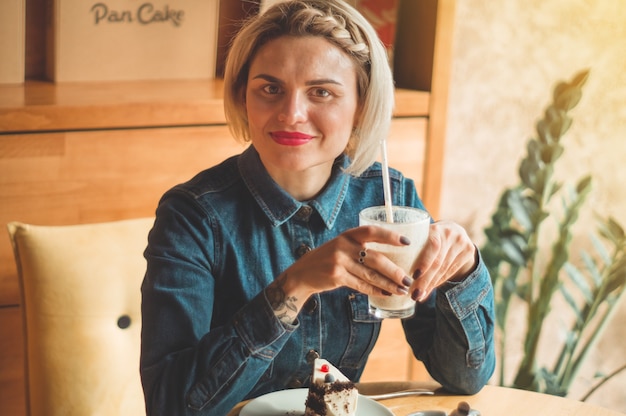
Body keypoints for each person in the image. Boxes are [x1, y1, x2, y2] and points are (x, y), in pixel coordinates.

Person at [139, 1, 495, 415]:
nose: (291, 114)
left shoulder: (389, 202)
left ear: (361, 105)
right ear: (243, 96)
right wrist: (293, 286)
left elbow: (464, 379)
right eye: (270, 89)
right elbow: (168, 406)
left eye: (321, 92)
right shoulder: (192, 216)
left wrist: (462, 271)